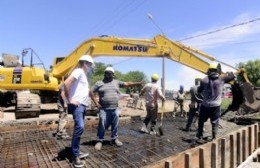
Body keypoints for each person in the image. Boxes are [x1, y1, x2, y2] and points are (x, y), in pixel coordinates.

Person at [90, 67, 143, 151]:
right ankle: (100, 140)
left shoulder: (117, 82)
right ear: (105, 74)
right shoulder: (99, 83)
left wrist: (138, 83)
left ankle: (114, 139)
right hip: (104, 109)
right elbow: (91, 92)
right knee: (102, 125)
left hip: (115, 108)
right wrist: (96, 103)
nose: (110, 75)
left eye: (111, 74)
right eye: (108, 73)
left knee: (115, 125)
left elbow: (127, 83)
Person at [64, 54, 94, 168]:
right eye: (90, 65)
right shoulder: (79, 71)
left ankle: (76, 150)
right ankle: (75, 155)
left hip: (82, 106)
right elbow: (66, 83)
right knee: (80, 127)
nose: (91, 67)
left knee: (79, 129)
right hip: (77, 105)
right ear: (85, 63)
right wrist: (70, 99)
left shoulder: (84, 75)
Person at [196, 62, 235, 143]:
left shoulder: (204, 80)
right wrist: (229, 73)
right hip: (216, 106)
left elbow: (199, 91)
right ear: (218, 70)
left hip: (205, 105)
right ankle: (214, 138)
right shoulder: (222, 78)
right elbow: (232, 76)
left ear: (209, 70)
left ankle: (200, 136)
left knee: (201, 121)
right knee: (215, 122)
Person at [55, 75, 70, 139]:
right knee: (63, 118)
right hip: (61, 104)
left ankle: (61, 131)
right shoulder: (64, 85)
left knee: (63, 117)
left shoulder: (64, 85)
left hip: (61, 103)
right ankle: (60, 133)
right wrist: (65, 103)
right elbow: (62, 94)